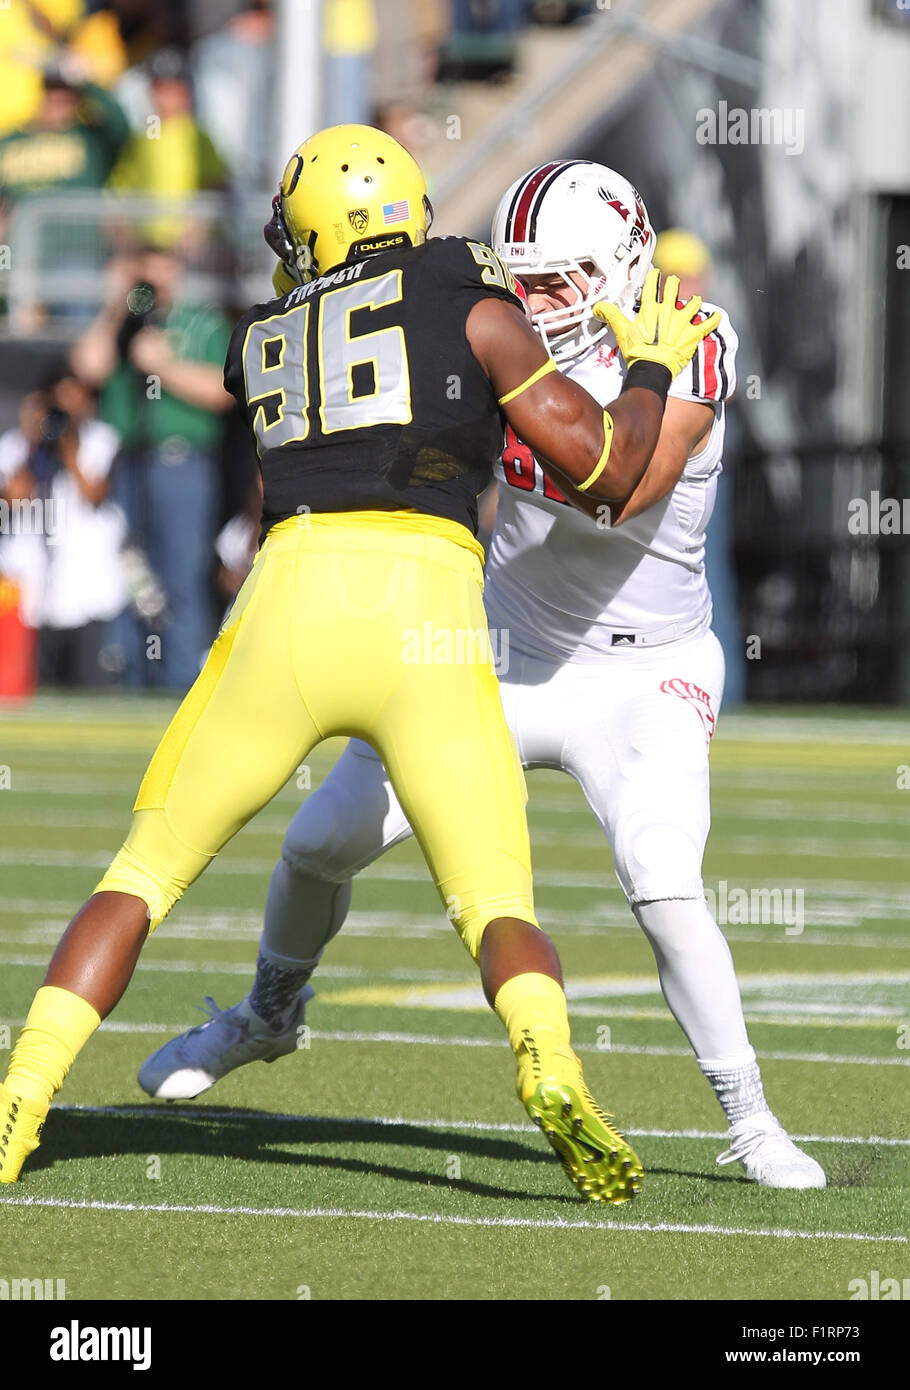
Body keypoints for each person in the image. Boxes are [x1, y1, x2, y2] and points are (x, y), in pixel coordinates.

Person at [0, 126, 717, 1200]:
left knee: (141, 875)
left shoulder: (261, 332)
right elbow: (604, 469)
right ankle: (549, 1064)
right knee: (493, 901)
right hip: (424, 610)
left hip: (290, 601)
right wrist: (650, 363)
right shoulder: (469, 290)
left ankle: (24, 1091)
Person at [139, 160, 824, 1190]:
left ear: (620, 262)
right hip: (494, 652)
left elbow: (621, 489)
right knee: (319, 839)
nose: (537, 302)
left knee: (662, 877)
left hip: (646, 673)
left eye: (559, 282)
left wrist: (555, 382)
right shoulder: (495, 330)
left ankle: (750, 1116)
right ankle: (267, 1014)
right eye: (527, 280)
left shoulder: (687, 335)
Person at [71, 244, 234, 689]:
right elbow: (87, 367)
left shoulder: (202, 319)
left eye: (163, 275)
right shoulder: (124, 320)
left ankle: (178, 679)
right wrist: (115, 304)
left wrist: (166, 367)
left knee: (180, 576)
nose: (155, 286)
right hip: (127, 462)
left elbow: (224, 390)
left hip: (181, 461)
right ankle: (127, 677)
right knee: (127, 573)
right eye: (146, 276)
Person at [0, 369, 128, 687]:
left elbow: (94, 493)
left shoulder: (101, 439)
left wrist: (69, 451)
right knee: (33, 684)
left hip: (87, 576)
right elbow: (13, 500)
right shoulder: (18, 446)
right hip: (32, 581)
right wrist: (33, 445)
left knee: (89, 680)